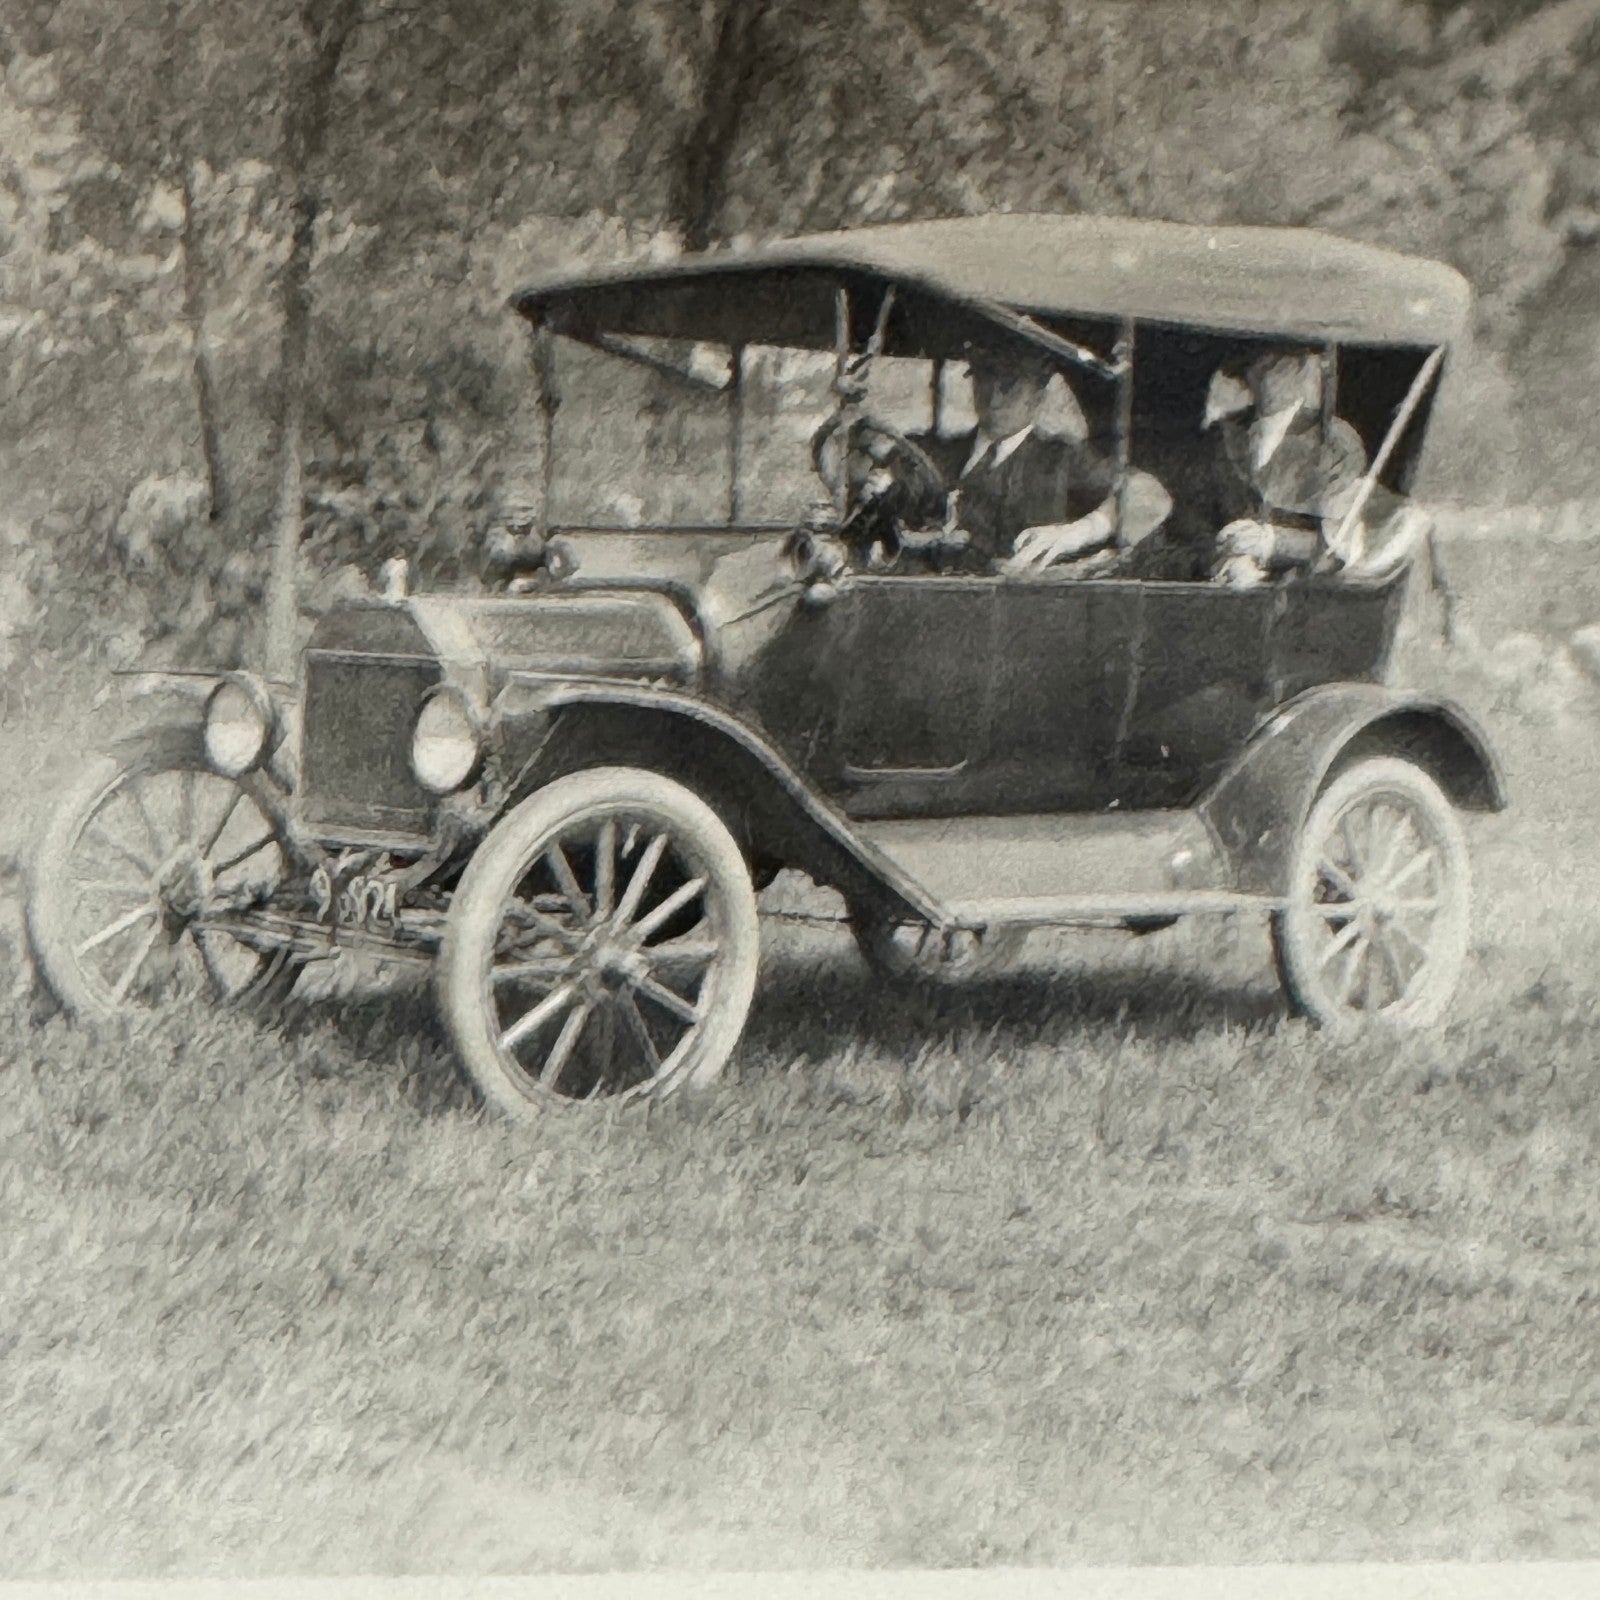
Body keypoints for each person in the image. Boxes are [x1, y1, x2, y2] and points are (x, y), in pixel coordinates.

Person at [912, 346, 1170, 574]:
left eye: (1009, 386)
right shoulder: (937, 454)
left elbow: (1149, 494)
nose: (993, 397)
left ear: (1038, 395)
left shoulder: (1063, 460)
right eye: (984, 379)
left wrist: (1079, 532)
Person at [1202, 347, 1369, 586]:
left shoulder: (1335, 441)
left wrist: (1272, 542)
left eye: (1281, 363)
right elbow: (1198, 527)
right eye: (1264, 364)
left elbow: (1344, 546)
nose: (1268, 371)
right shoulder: (1229, 437)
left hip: (1308, 597)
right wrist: (1227, 557)